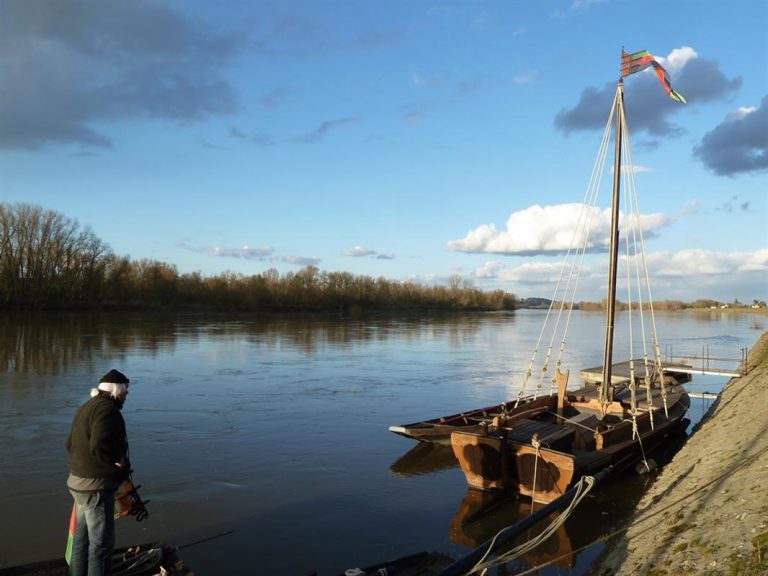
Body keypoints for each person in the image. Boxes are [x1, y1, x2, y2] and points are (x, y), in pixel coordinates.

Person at [66, 369, 132, 576]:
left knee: (81, 542)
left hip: (77, 483)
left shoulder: (87, 406)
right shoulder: (107, 410)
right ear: (115, 390)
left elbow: (69, 444)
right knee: (101, 546)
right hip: (95, 487)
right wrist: (116, 465)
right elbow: (99, 445)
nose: (127, 394)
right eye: (125, 390)